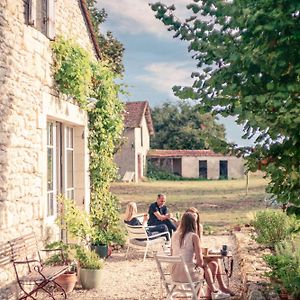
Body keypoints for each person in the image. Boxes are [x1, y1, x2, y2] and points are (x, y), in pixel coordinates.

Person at [171, 212, 230, 299]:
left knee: (206, 267)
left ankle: (213, 292)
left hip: (174, 274)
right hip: (187, 276)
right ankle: (214, 291)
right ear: (193, 223)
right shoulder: (194, 236)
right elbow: (200, 262)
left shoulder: (174, 235)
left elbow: (172, 254)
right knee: (205, 267)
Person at [186, 207, 235, 297]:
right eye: (191, 216)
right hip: (191, 259)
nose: (193, 218)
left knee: (215, 261)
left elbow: (199, 244)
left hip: (196, 254)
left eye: (195, 216)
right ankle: (217, 289)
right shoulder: (185, 229)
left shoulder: (199, 227)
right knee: (214, 263)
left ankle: (218, 289)